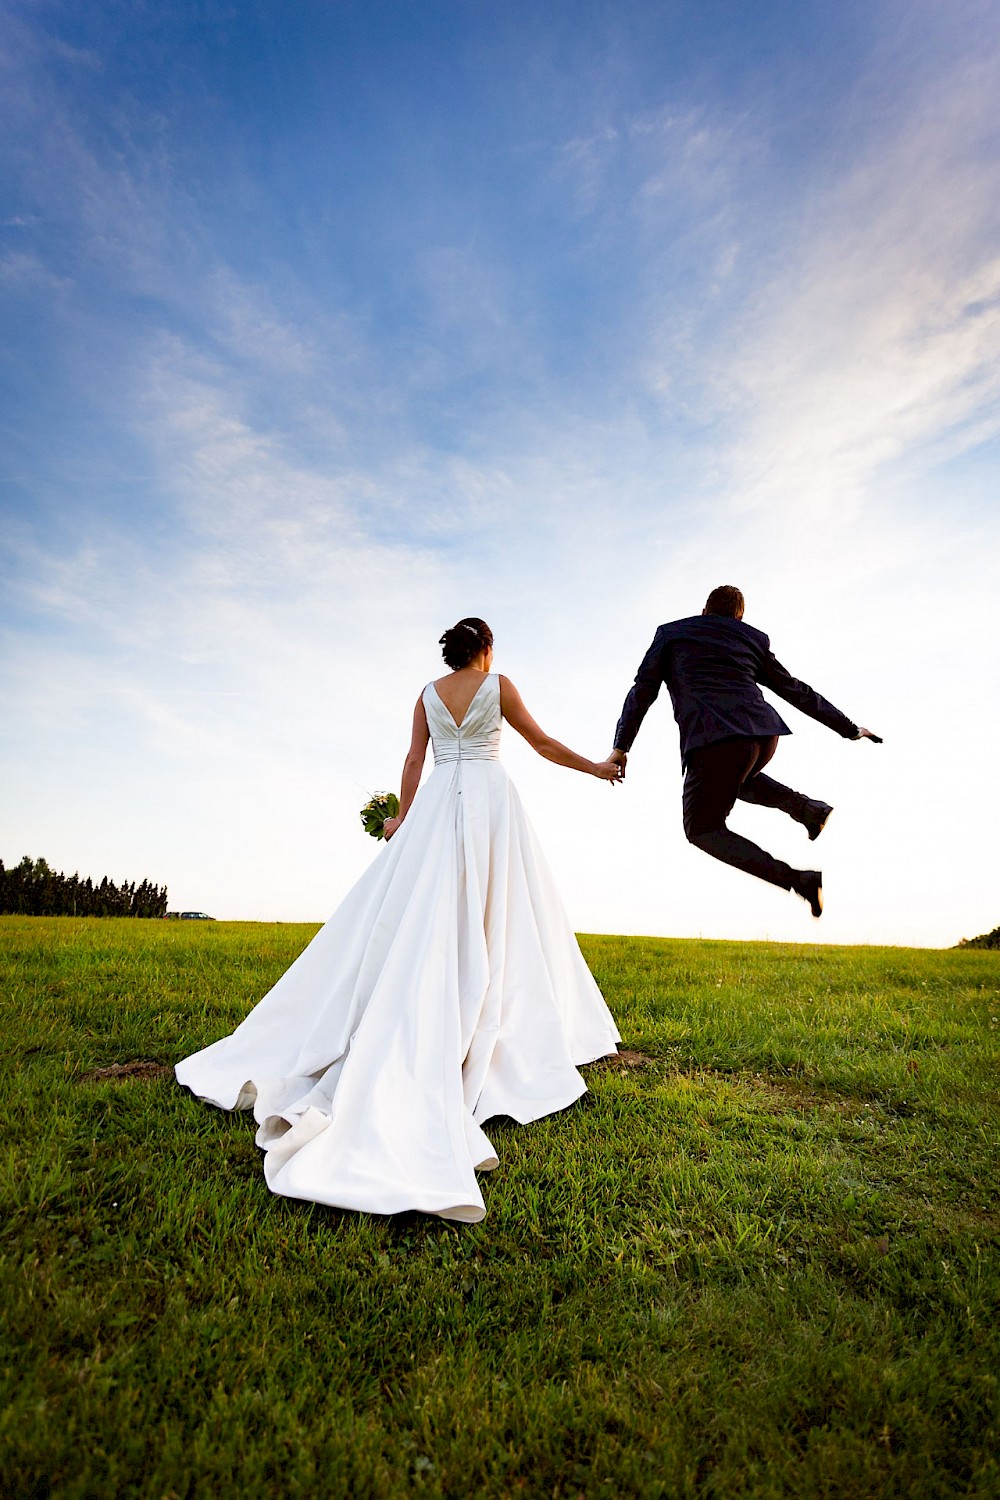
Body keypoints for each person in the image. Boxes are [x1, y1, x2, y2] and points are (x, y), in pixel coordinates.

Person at [176, 617, 622, 1223]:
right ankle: (490, 1005)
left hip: (439, 802)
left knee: (420, 905)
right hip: (489, 801)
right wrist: (597, 767)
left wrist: (402, 820)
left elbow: (414, 760)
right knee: (501, 911)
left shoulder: (427, 695)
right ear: (486, 650)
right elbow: (541, 745)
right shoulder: (500, 685)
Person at [609, 586, 881, 917]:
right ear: (739, 616)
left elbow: (642, 691)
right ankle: (808, 809)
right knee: (735, 781)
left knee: (702, 828)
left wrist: (621, 746)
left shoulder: (672, 633)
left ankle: (801, 880)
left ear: (705, 609)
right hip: (763, 736)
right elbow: (794, 689)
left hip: (715, 737)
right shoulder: (752, 638)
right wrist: (849, 728)